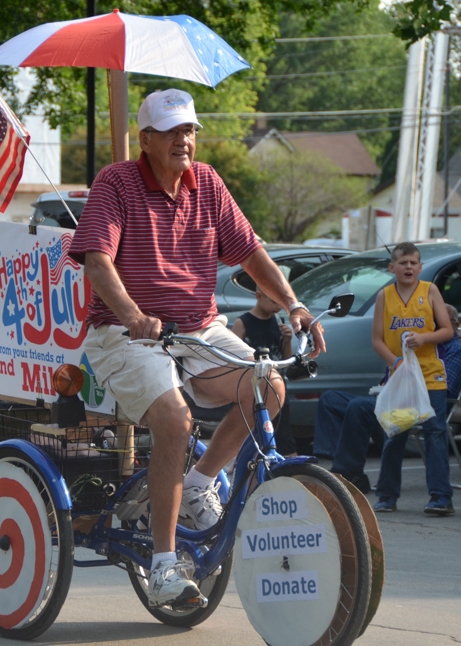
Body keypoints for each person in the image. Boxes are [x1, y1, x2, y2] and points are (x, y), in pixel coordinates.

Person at [69, 88, 324, 607]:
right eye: (171, 131)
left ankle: (200, 481)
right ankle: (164, 565)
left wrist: (294, 304)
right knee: (175, 419)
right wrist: (133, 315)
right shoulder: (115, 182)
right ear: (145, 139)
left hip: (198, 330)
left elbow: (251, 253)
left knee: (269, 386)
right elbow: (97, 261)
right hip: (126, 333)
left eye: (189, 130)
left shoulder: (206, 182)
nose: (183, 140)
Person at [331, 243, 457, 515]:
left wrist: (424, 338)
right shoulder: (384, 296)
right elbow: (377, 340)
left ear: (420, 267)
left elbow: (447, 331)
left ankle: (441, 496)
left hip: (431, 376)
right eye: (403, 263)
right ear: (392, 267)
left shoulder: (430, 291)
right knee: (394, 434)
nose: (408, 267)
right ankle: (387, 496)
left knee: (435, 434)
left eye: (413, 263)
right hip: (400, 378)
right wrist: (396, 362)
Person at [318, 303, 461, 496]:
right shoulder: (422, 346)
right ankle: (341, 468)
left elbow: (443, 391)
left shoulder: (454, 350)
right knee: (330, 400)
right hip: (394, 397)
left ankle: (348, 474)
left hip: (418, 406)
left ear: (452, 325)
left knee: (359, 406)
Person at [232, 287, 296, 456]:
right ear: (259, 296)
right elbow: (233, 359)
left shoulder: (278, 321)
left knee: (284, 438)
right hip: (253, 390)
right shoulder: (243, 323)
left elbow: (285, 360)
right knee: (253, 438)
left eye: (281, 303)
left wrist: (287, 341)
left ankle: (292, 470)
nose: (278, 307)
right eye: (274, 302)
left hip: (277, 388)